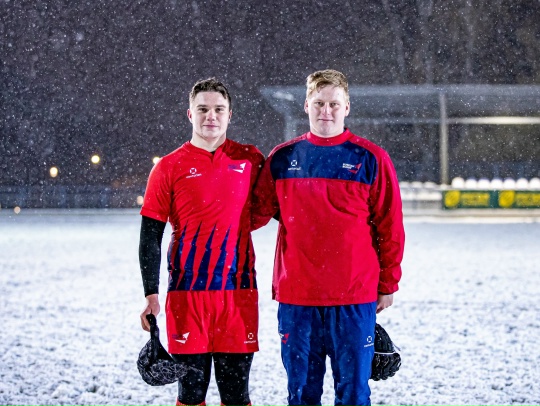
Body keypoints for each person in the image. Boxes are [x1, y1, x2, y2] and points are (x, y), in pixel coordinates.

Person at [251, 69, 405, 406]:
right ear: (306, 105)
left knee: (353, 394)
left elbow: (390, 227)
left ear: (347, 107)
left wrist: (388, 284)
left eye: (334, 104)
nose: (326, 111)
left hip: (353, 297)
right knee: (301, 394)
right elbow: (254, 213)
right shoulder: (283, 158)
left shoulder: (371, 158)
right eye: (319, 103)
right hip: (298, 298)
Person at [139, 78, 264, 406]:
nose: (211, 116)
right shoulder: (169, 166)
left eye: (219, 109)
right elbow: (150, 235)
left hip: (238, 294)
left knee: (237, 396)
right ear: (189, 113)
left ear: (230, 115)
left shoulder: (250, 160)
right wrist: (151, 294)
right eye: (203, 109)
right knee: (191, 396)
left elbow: (283, 208)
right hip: (187, 296)